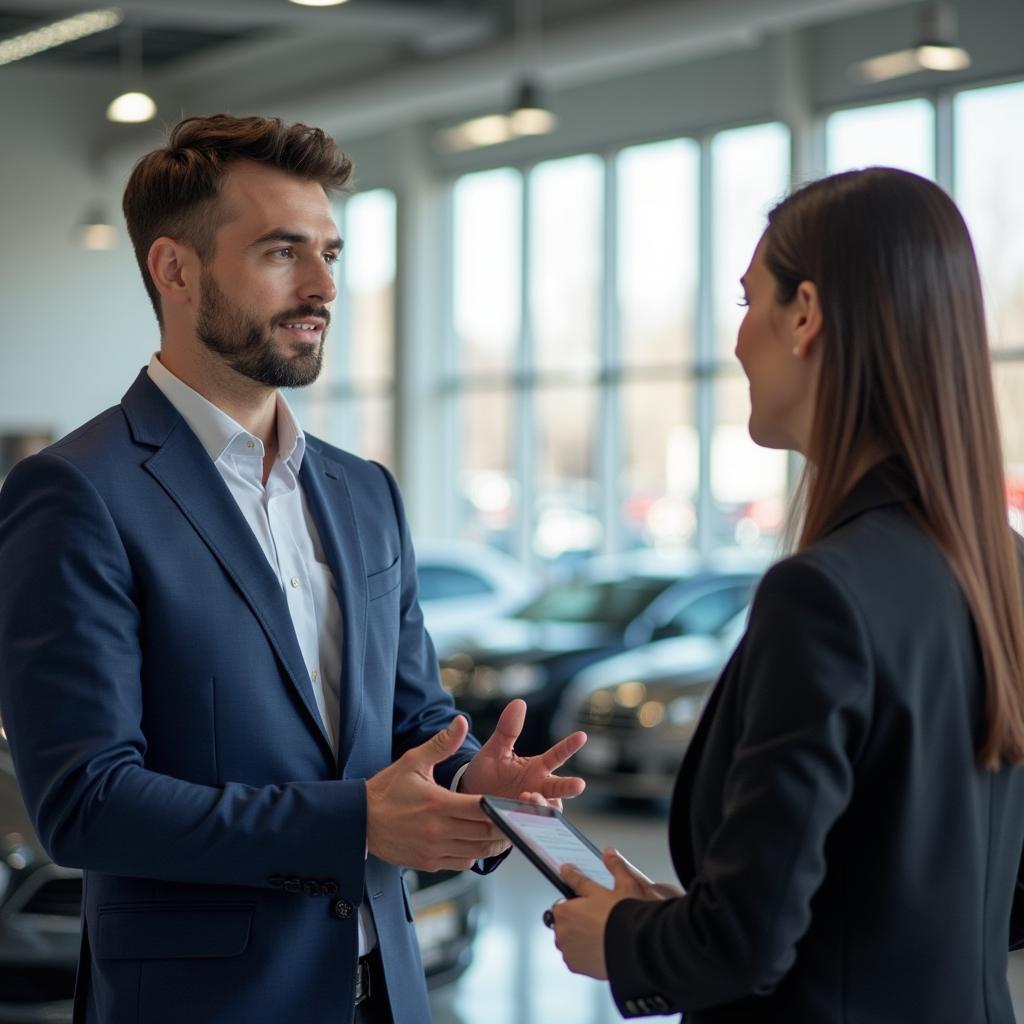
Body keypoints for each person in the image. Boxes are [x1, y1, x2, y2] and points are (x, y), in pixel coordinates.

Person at [0, 114, 587, 1024]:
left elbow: (414, 716)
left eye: (331, 253)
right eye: (282, 252)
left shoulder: (363, 492)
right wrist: (354, 821)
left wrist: (475, 784)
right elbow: (86, 802)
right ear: (176, 270)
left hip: (386, 991)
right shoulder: (76, 493)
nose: (322, 286)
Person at [549, 167, 1024, 1022]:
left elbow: (745, 950)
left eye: (745, 303)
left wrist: (622, 940)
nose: (736, 343)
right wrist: (687, 921)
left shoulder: (823, 596)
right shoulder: (1007, 571)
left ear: (805, 314)